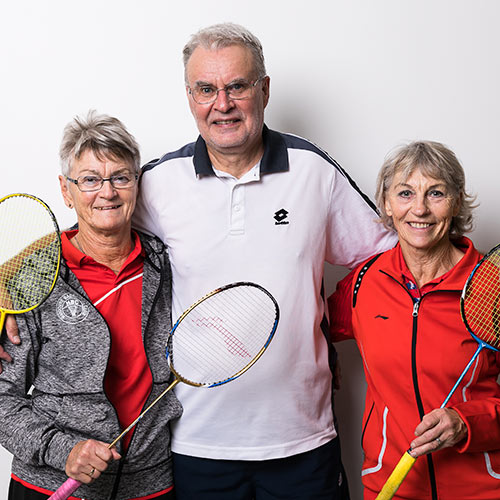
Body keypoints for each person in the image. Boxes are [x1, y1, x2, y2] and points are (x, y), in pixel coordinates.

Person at [130, 23, 397, 499]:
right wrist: (7, 287)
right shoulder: (159, 182)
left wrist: (331, 323)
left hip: (303, 441)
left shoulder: (313, 170)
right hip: (197, 445)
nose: (222, 104)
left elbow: (388, 258)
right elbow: (89, 243)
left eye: (237, 86)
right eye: (206, 89)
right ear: (189, 97)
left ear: (265, 90)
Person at [0, 111, 182, 500]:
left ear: (136, 184)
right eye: (89, 180)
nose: (107, 192)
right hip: (48, 484)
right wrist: (62, 450)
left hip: (150, 485)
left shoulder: (168, 264)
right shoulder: (31, 277)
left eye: (121, 177)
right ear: (66, 191)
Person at [328, 140, 500, 499]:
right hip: (391, 485)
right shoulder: (364, 283)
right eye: (405, 193)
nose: (419, 209)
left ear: (456, 202)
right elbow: (310, 328)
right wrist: (325, 357)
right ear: (387, 204)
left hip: (480, 489)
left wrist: (467, 423)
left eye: (435, 193)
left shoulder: (491, 286)